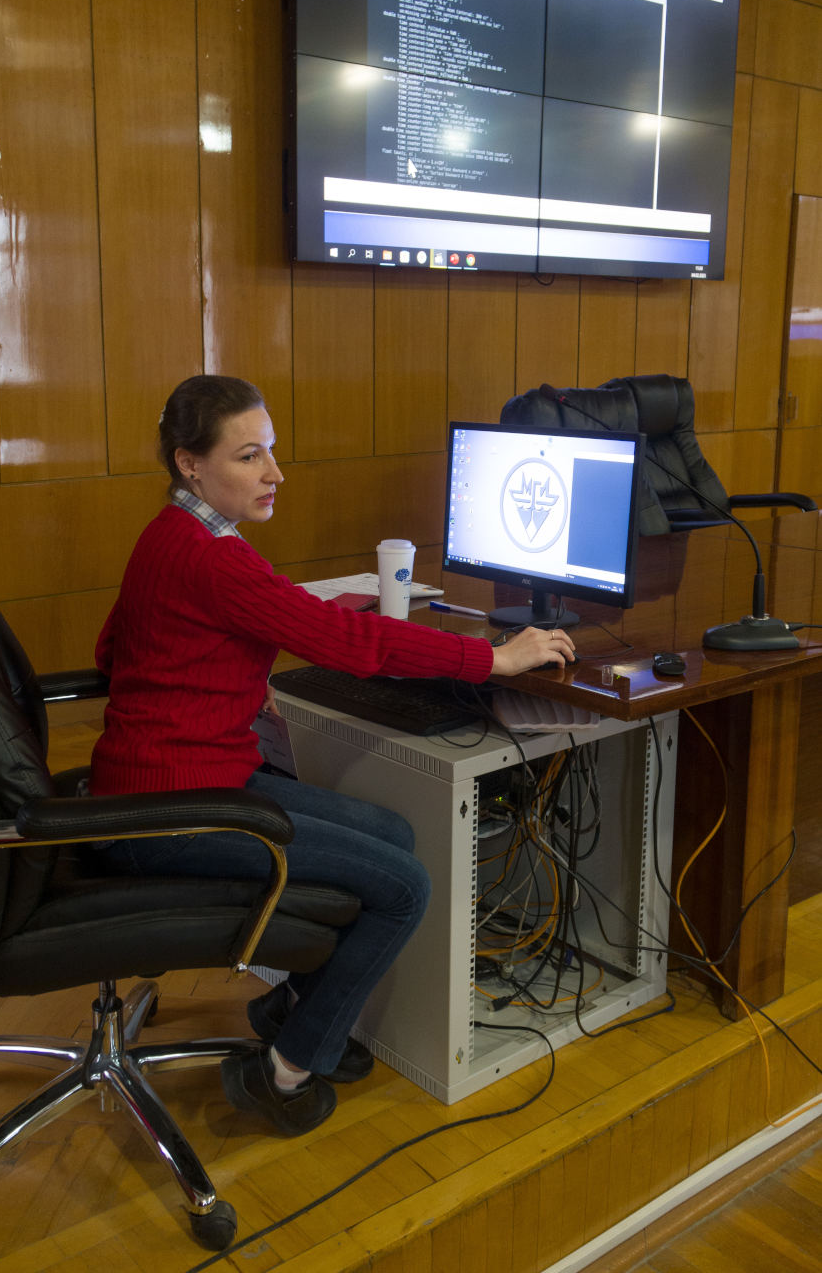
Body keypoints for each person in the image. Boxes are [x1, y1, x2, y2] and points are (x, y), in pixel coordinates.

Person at [89, 375, 575, 1136]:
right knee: (405, 887)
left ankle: (292, 1006)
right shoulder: (217, 560)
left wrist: (229, 678)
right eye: (249, 456)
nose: (274, 473)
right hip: (174, 812)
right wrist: (495, 660)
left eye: (270, 451)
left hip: (168, 782)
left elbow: (113, 649)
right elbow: (349, 641)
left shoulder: (168, 533)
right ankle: (285, 1072)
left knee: (392, 834)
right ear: (190, 464)